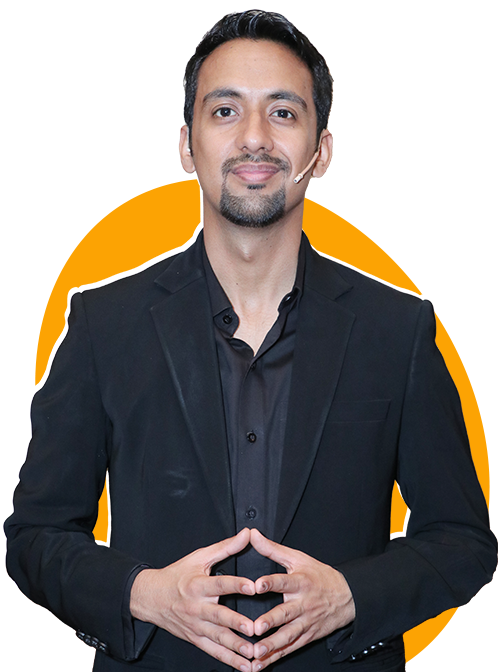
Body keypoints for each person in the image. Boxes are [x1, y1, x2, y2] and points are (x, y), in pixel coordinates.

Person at [4, 8, 497, 672]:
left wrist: (351, 597)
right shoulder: (104, 325)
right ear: (187, 145)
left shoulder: (397, 330)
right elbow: (35, 536)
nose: (255, 138)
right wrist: (144, 595)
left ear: (322, 151)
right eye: (225, 111)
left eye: (283, 113)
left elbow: (463, 541)